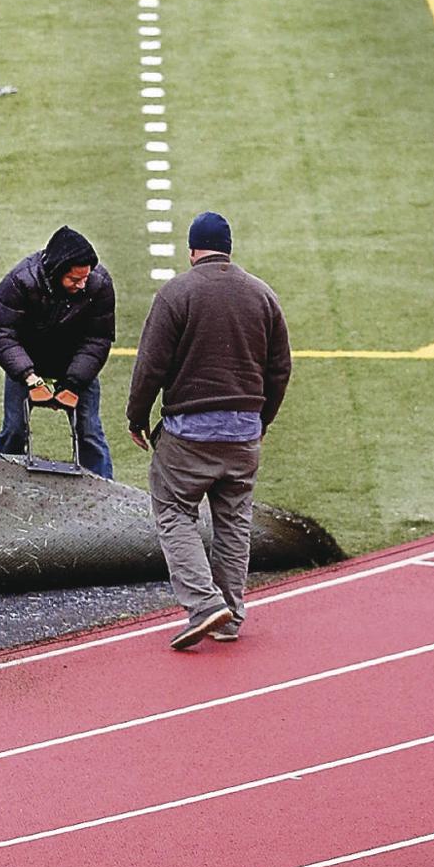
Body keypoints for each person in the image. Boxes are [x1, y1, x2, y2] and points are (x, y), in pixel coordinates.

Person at [127, 210, 291, 649]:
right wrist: (261, 421)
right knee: (234, 521)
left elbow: (151, 365)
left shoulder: (176, 293)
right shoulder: (263, 294)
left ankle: (204, 604)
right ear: (228, 250)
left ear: (192, 251)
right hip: (244, 433)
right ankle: (230, 615)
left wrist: (137, 417)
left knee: (173, 511)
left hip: (189, 434)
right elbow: (280, 368)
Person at [0, 225, 115, 478]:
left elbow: (97, 339)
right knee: (14, 429)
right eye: (74, 280)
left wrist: (74, 383)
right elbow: (0, 331)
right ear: (57, 272)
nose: (82, 285)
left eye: (85, 278)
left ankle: (104, 487)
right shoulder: (20, 281)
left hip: (76, 363)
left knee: (90, 431)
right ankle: (4, 481)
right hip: (27, 361)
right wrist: (29, 377)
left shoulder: (99, 284)